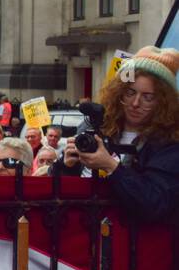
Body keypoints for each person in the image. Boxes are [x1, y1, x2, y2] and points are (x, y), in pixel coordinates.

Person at [58, 46, 179, 222]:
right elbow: (57, 197)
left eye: (148, 97)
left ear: (163, 103)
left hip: (136, 243)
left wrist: (111, 167)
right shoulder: (97, 127)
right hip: (84, 234)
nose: (135, 103)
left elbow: (155, 203)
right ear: (119, 93)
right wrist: (65, 166)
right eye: (130, 93)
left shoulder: (169, 142)